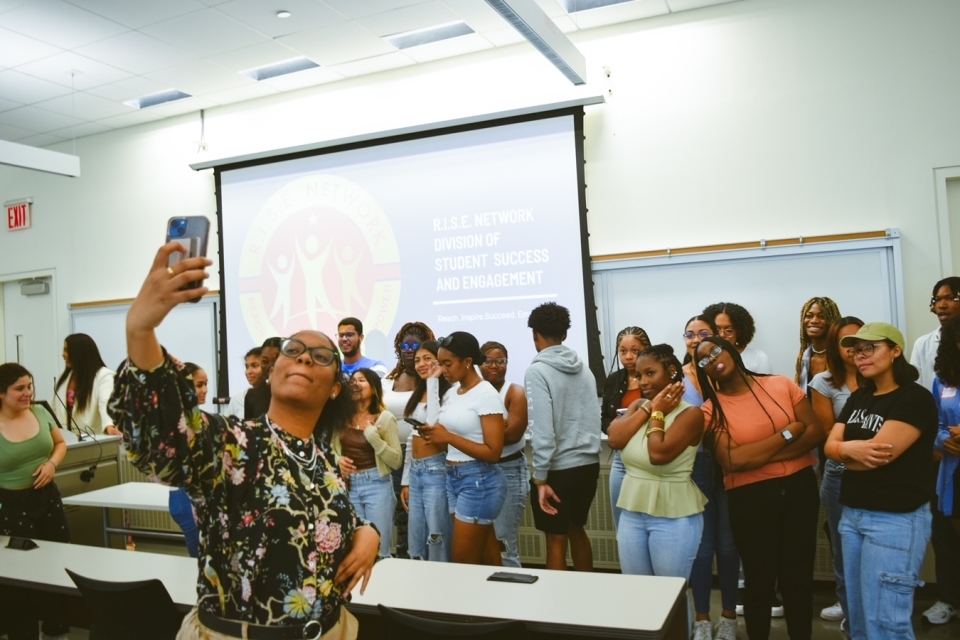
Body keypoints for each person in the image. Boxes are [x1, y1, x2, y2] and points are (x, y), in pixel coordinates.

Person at [109, 243, 378, 639]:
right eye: (293, 350)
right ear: (272, 370)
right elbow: (169, 434)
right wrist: (140, 331)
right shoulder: (234, 442)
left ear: (336, 389)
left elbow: (328, 517)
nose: (305, 358)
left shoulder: (320, 457)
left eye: (321, 357)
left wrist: (368, 532)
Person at [696, 337, 823, 640]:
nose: (713, 359)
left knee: (798, 579)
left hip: (800, 491)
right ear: (703, 371)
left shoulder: (780, 384)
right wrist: (787, 434)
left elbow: (816, 431)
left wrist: (761, 457)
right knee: (759, 582)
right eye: (704, 360)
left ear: (731, 350)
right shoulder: (710, 411)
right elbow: (733, 460)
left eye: (716, 350)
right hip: (750, 500)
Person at [824, 322, 938, 640]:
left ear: (896, 351)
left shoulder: (914, 398)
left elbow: (877, 457)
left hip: (895, 519)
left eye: (870, 348)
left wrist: (842, 451)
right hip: (853, 515)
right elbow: (829, 445)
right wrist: (848, 450)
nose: (860, 355)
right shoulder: (860, 396)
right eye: (856, 350)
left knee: (886, 624)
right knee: (859, 620)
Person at [608, 344, 705, 581]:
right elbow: (614, 440)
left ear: (671, 372)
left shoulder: (691, 414)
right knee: (637, 590)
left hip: (673, 515)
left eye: (650, 373)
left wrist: (658, 413)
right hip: (632, 512)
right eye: (639, 375)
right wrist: (650, 408)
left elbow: (658, 454)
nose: (642, 381)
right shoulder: (638, 406)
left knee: (669, 594)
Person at [524, 302, 602, 571]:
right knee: (576, 529)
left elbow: (543, 431)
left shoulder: (537, 371)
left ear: (535, 334)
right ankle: (585, 592)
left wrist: (540, 478)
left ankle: (556, 599)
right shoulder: (584, 369)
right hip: (589, 466)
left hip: (558, 470)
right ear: (565, 334)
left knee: (555, 541)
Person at [418, 331, 506, 565]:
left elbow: (494, 453)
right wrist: (432, 381)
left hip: (479, 480)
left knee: (463, 563)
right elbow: (436, 425)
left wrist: (448, 437)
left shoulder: (486, 394)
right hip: (454, 477)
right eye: (440, 363)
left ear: (467, 362)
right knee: (486, 558)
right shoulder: (453, 392)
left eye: (447, 363)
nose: (443, 369)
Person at [0, 363, 71, 640]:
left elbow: (60, 444)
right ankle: (23, 633)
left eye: (29, 386)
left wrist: (52, 464)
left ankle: (57, 627)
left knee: (57, 560)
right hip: (13, 505)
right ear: (1, 393)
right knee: (22, 573)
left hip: (48, 499)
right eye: (19, 388)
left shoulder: (40, 412)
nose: (28, 393)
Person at [681, 316, 739, 640]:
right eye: (689, 334)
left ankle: (728, 617)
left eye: (703, 333)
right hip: (696, 467)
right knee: (701, 550)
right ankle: (702, 619)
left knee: (729, 546)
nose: (695, 339)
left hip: (731, 464)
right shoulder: (677, 377)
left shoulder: (726, 373)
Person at [911, 277, 960, 625]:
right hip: (945, 463)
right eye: (936, 299)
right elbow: (928, 409)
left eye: (950, 298)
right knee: (943, 535)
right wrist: (940, 441)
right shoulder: (938, 370)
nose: (941, 304)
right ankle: (949, 598)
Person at [809, 316, 863, 630]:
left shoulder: (880, 377)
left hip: (879, 471)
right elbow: (827, 432)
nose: (853, 348)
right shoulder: (824, 382)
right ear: (834, 347)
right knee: (843, 543)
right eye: (846, 342)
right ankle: (847, 604)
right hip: (840, 472)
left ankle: (868, 605)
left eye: (859, 339)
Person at [333, 369, 402, 559]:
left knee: (379, 549)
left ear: (373, 388)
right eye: (352, 381)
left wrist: (374, 438)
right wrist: (338, 460)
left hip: (377, 485)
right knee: (354, 548)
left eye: (361, 380)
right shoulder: (342, 418)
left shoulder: (385, 418)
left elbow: (396, 461)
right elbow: (331, 450)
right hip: (349, 486)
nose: (355, 384)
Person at [382, 321, 435, 560]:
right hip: (392, 456)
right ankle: (404, 562)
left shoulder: (432, 381)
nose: (409, 351)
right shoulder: (387, 381)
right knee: (401, 517)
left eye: (415, 346)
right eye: (404, 346)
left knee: (423, 518)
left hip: (425, 456)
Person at [399, 341, 452, 562]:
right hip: (416, 471)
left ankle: (441, 581)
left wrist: (433, 381)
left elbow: (433, 426)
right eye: (418, 360)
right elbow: (412, 439)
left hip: (436, 470)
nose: (421, 364)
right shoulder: (418, 393)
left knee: (436, 535)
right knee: (415, 536)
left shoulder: (449, 393)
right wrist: (406, 480)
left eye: (427, 359)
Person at [479, 340, 529, 568]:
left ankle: (513, 588)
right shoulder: (474, 392)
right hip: (480, 470)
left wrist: (483, 426)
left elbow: (513, 435)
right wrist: (500, 424)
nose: (494, 366)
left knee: (503, 542)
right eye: (488, 361)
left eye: (500, 361)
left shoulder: (515, 392)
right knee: (483, 545)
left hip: (509, 469)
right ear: (479, 364)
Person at [600, 326, 651, 530]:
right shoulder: (614, 379)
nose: (628, 356)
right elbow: (604, 418)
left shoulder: (656, 377)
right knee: (622, 523)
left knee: (646, 519)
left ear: (646, 350)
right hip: (621, 457)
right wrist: (614, 426)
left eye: (635, 350)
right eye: (623, 351)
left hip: (648, 455)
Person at [932, 315, 960, 616]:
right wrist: (943, 440)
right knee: (949, 540)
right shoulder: (943, 379)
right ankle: (951, 600)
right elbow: (936, 423)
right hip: (953, 470)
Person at [168, 362, 210, 559]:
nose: (205, 390)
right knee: (199, 559)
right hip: (185, 496)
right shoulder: (180, 420)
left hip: (191, 495)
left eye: (206, 384)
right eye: (199, 385)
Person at [54, 333, 118, 437]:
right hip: (66, 440)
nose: (63, 354)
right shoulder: (63, 376)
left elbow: (105, 404)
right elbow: (54, 408)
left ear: (79, 353)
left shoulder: (104, 376)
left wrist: (109, 426)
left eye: (66, 350)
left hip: (92, 441)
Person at [703, 302, 772, 374]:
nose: (722, 335)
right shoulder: (703, 358)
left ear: (739, 332)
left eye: (729, 330)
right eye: (716, 330)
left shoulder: (757, 358)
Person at [794, 297, 842, 393]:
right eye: (809, 316)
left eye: (822, 316)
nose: (814, 321)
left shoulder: (841, 356)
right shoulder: (804, 357)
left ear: (832, 320)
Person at [243, 336, 281, 420]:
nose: (270, 366)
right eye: (265, 362)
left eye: (276, 361)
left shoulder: (296, 393)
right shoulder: (252, 396)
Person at [228, 347, 261, 417]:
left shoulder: (277, 399)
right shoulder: (237, 399)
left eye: (255, 366)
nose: (248, 372)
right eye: (247, 367)